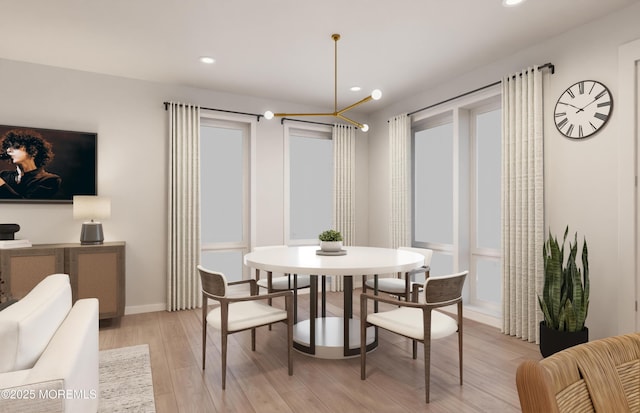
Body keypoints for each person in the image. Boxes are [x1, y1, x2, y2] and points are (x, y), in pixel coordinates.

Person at [0, 129, 62, 199]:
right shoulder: (3, 175)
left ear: (33, 151)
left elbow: (28, 205)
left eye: (16, 147)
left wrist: (1, 184)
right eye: (8, 147)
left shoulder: (50, 180)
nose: (8, 150)